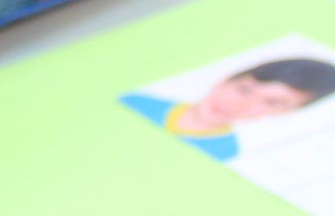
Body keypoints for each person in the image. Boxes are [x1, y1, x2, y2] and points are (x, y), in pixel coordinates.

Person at [121, 58, 335, 160]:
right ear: (225, 80)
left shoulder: (228, 153)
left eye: (272, 103)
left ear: (287, 113)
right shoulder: (139, 103)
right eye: (244, 90)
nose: (240, 105)